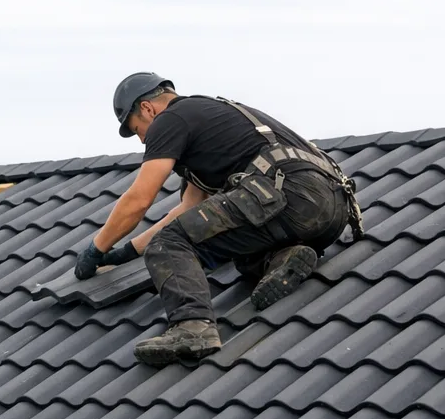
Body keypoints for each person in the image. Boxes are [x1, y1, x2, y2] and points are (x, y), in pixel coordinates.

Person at [75, 73, 361, 366]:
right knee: (223, 245)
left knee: (168, 244)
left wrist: (96, 248)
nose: (143, 140)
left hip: (286, 195)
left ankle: (192, 328)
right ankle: (283, 257)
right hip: (331, 210)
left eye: (138, 130)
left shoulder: (170, 120)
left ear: (147, 108)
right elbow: (187, 211)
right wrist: (126, 252)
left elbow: (139, 200)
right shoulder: (210, 119)